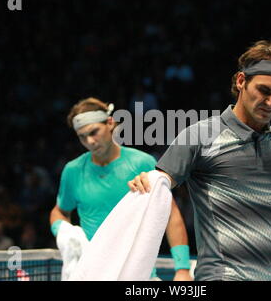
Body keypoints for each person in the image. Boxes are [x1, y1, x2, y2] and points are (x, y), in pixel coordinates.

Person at [128, 40, 271, 281]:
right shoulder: (200, 135)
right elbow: (161, 183)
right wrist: (149, 179)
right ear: (240, 81)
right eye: (265, 91)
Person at [49, 97, 192, 281]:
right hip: (93, 275)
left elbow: (170, 214)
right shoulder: (73, 170)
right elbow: (60, 211)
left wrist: (182, 269)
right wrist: (64, 232)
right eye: (82, 136)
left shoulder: (143, 162)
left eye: (93, 132)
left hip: (140, 277)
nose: (89, 141)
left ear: (109, 123)